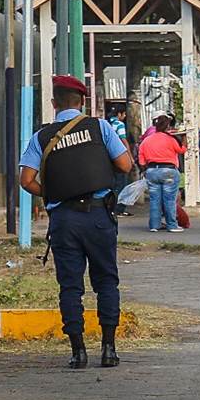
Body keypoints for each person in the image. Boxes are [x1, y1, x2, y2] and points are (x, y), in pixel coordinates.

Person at [19, 75, 132, 369]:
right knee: (106, 281)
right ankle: (109, 349)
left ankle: (77, 352)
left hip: (64, 220)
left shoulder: (40, 137)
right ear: (82, 102)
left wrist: (56, 191)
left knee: (70, 286)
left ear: (54, 104)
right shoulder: (100, 127)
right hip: (97, 216)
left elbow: (26, 180)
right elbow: (125, 165)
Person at [138, 115, 187, 233]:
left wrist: (145, 168)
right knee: (169, 200)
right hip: (169, 171)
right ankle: (172, 225)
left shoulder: (147, 140)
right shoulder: (170, 139)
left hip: (151, 171)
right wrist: (184, 140)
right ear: (168, 126)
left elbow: (141, 159)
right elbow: (181, 150)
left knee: (155, 200)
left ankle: (154, 225)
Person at [107, 104, 133, 217]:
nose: (124, 116)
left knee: (112, 184)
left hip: (108, 158)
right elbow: (123, 140)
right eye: (124, 114)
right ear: (119, 114)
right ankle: (119, 209)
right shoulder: (119, 124)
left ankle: (111, 207)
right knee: (121, 184)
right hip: (118, 157)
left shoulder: (107, 123)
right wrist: (129, 156)